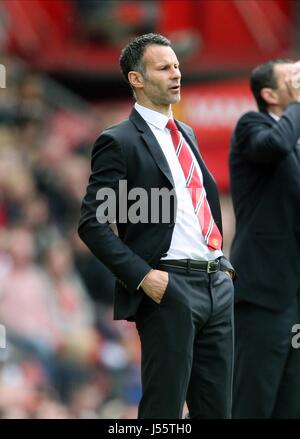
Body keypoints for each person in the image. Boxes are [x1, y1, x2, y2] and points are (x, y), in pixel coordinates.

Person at [78, 33, 235, 419]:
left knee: (218, 411)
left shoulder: (188, 134)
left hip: (217, 285)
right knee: (162, 412)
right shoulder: (118, 141)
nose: (176, 74)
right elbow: (92, 225)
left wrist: (223, 263)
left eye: (177, 66)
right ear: (137, 79)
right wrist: (143, 276)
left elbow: (197, 206)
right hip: (169, 287)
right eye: (164, 68)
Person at [229, 59, 300, 418]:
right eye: (293, 78)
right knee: (253, 401)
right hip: (263, 295)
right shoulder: (252, 125)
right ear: (270, 94)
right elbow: (275, 145)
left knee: (290, 404)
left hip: (293, 297)